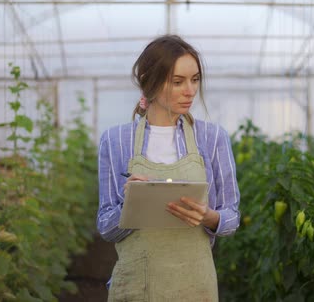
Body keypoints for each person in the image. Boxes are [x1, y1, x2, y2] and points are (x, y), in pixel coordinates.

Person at [97, 35, 240, 302]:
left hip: (195, 286)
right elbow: (105, 227)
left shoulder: (212, 138)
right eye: (178, 82)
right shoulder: (115, 140)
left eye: (195, 79)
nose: (190, 90)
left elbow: (232, 216)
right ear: (148, 82)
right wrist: (131, 205)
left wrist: (208, 217)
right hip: (137, 286)